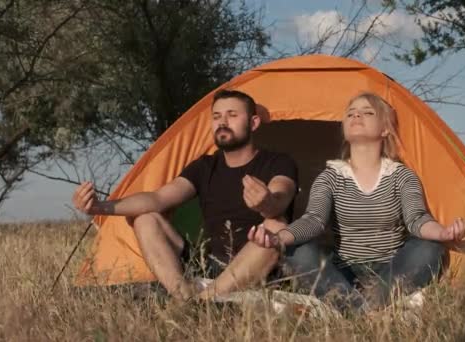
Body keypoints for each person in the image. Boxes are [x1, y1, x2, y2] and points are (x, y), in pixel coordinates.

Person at [247, 92, 465, 311]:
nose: (356, 116)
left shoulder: (401, 175)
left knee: (430, 248)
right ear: (344, 129)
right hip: (342, 273)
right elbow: (314, 220)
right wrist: (278, 238)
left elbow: (417, 220)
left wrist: (443, 234)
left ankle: (354, 309)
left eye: (367, 113)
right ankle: (371, 311)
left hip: (391, 270)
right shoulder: (330, 176)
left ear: (385, 129)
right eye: (351, 113)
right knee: (296, 251)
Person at [72, 89, 299, 300]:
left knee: (276, 225)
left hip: (258, 263)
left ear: (253, 122)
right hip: (211, 263)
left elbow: (281, 196)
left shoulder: (278, 162)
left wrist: (266, 202)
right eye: (217, 116)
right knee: (145, 217)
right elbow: (157, 199)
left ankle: (205, 300)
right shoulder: (204, 166)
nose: (222, 122)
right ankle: (183, 295)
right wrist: (99, 207)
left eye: (232, 115)